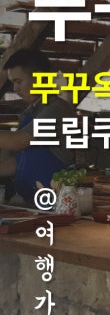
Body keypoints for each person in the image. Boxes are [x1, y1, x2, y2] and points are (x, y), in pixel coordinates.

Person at [0, 49, 76, 203]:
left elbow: (18, 141)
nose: (15, 89)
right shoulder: (29, 113)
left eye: (18, 81)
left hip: (56, 203)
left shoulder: (57, 109)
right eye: (13, 82)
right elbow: (20, 162)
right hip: (30, 202)